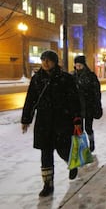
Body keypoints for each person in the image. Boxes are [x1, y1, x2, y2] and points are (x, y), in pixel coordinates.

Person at [21, 50, 81, 197]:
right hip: (44, 123)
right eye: (43, 60)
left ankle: (72, 164)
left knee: (62, 149)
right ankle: (48, 185)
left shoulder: (65, 78)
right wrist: (26, 119)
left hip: (62, 121)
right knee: (46, 154)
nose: (45, 63)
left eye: (48, 60)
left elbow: (74, 101)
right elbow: (30, 100)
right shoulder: (37, 79)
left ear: (55, 62)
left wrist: (77, 120)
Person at [73, 55, 102, 152]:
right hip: (77, 107)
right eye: (77, 65)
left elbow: (97, 92)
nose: (78, 68)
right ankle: (82, 147)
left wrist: (97, 104)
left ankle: (91, 142)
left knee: (88, 128)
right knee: (78, 129)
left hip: (89, 106)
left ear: (84, 65)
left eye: (80, 65)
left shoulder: (91, 76)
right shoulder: (73, 76)